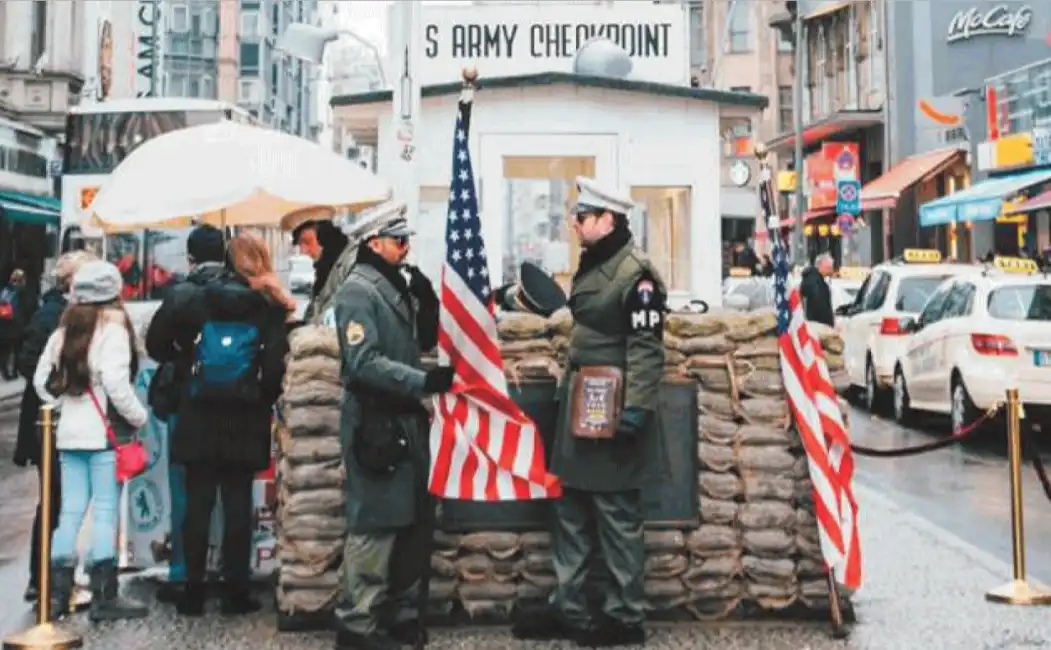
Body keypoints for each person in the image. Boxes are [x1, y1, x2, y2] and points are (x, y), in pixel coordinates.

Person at [512, 177, 666, 647]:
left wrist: (636, 410)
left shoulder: (636, 276)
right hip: (582, 407)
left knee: (617, 515)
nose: (575, 224)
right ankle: (571, 609)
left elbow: (646, 349)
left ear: (609, 220)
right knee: (571, 510)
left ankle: (625, 616)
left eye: (583, 217)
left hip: (614, 409)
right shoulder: (598, 264)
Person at [146, 226, 289, 616]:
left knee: (198, 503)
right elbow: (276, 365)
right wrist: (260, 397)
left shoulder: (187, 297)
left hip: (197, 413)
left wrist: (187, 362)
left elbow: (155, 346)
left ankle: (193, 591)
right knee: (238, 504)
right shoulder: (265, 304)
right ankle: (235, 592)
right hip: (244, 416)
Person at [329, 201, 449, 650]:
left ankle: (398, 614)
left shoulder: (391, 287)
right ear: (375, 243)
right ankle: (357, 624)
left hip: (402, 416)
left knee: (409, 517)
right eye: (399, 242)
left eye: (406, 241)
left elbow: (415, 338)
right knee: (376, 520)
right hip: (376, 419)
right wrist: (422, 381)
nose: (405, 249)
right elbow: (363, 363)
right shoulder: (359, 291)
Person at [32, 260, 149, 621]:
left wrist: (62, 407)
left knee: (69, 512)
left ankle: (56, 595)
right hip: (103, 437)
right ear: (114, 292)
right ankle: (104, 595)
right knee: (103, 512)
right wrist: (138, 417)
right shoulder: (112, 331)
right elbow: (116, 384)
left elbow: (40, 380)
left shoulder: (63, 332)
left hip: (69, 435)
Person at [144, 226, 229, 603]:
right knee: (232, 490)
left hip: (188, 401)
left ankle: (184, 571)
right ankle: (229, 568)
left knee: (186, 490)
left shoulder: (179, 294)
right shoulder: (241, 290)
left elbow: (155, 345)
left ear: (190, 258)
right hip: (235, 405)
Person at [14, 251, 97, 603]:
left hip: (54, 420)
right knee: (55, 500)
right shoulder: (51, 315)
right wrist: (65, 388)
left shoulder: (65, 313)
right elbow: (28, 362)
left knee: (59, 499)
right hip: (49, 422)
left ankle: (49, 576)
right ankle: (44, 577)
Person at [293, 219, 350, 318]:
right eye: (300, 245)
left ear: (324, 237)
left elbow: (339, 311)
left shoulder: (350, 262)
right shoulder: (324, 269)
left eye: (307, 242)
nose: (303, 251)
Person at [0, 268, 28, 379]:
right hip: (17, 326)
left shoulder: (4, 291)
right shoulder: (23, 293)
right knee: (17, 351)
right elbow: (26, 309)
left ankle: (5, 372)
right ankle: (14, 372)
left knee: (5, 351)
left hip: (4, 325)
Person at [799, 252, 835, 327]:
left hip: (818, 325)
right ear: (821, 265)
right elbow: (820, 305)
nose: (830, 270)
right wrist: (829, 323)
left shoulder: (817, 280)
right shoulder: (814, 281)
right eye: (828, 267)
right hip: (817, 325)